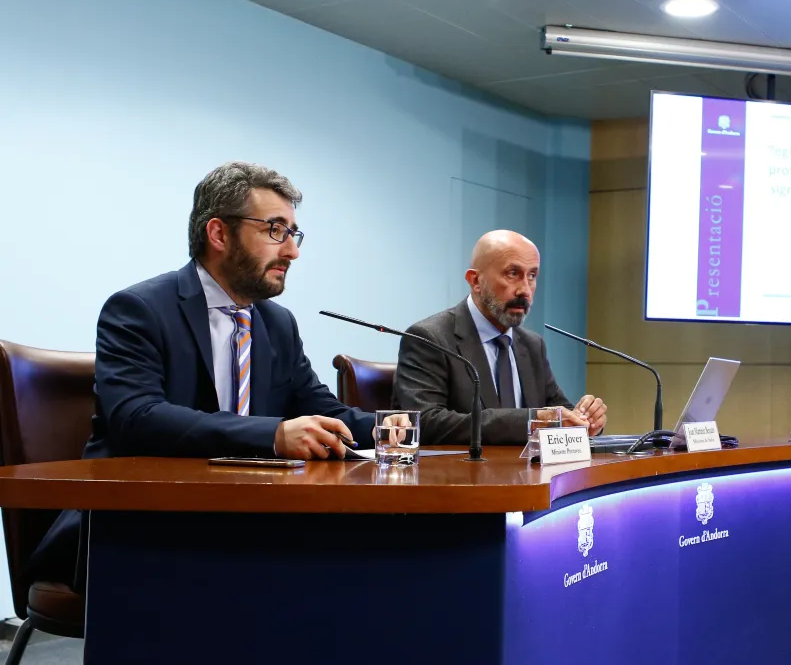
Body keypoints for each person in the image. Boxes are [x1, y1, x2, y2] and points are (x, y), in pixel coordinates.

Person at [27, 161, 399, 588]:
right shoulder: (139, 309)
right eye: (275, 230)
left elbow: (323, 411)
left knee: (356, 568)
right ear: (219, 234)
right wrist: (275, 435)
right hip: (137, 529)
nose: (292, 251)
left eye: (293, 234)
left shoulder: (277, 323)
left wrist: (395, 428)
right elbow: (137, 418)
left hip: (248, 523)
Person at [393, 230, 608, 445]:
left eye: (532, 276)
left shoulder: (532, 345)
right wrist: (530, 421)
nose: (525, 290)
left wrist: (583, 419)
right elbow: (424, 423)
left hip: (528, 467)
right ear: (475, 280)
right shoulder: (429, 338)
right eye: (512, 273)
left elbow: (555, 410)